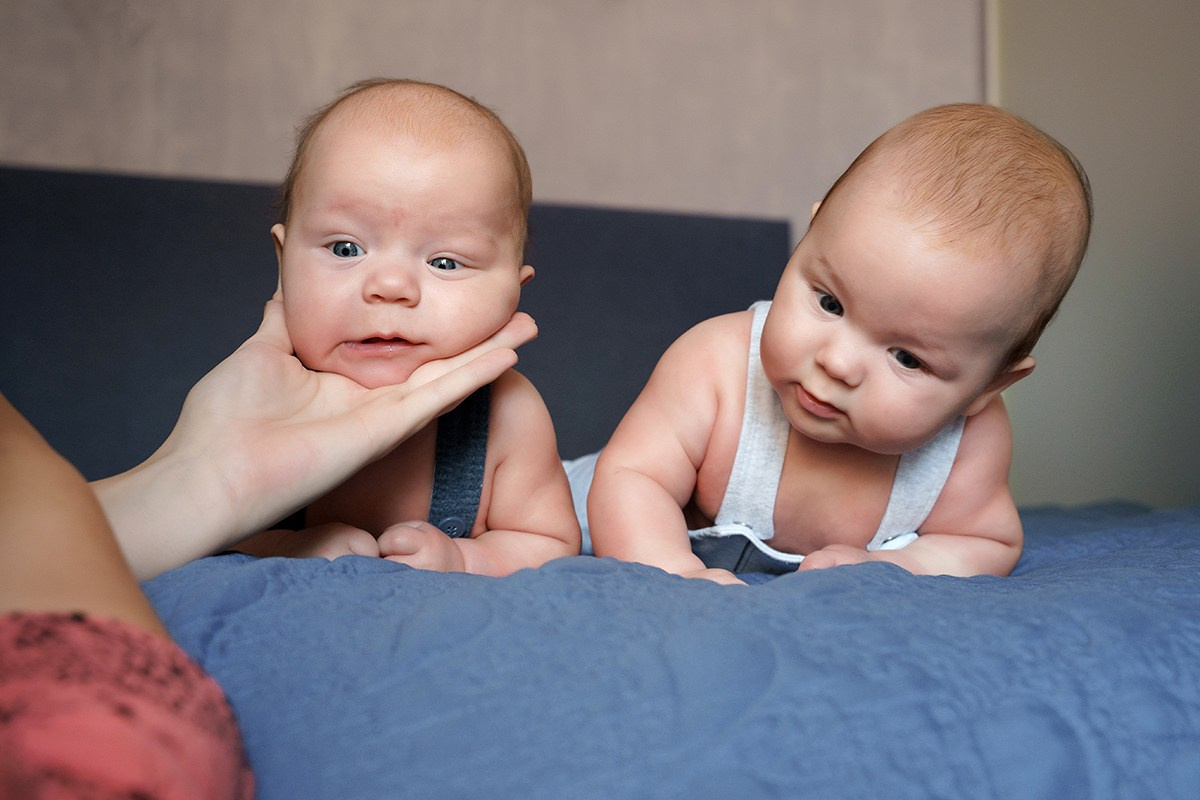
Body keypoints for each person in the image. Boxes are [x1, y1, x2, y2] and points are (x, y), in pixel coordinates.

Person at [586, 103, 1092, 585]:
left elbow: (984, 540)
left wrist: (898, 567)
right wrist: (674, 571)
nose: (838, 363)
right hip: (590, 514)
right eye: (830, 303)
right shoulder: (715, 364)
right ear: (810, 234)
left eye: (907, 358)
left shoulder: (969, 442)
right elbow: (631, 478)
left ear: (989, 385)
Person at [234, 79, 580, 575]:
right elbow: (204, 527)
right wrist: (288, 546)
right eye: (345, 249)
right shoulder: (258, 399)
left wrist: (462, 556)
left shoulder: (507, 414)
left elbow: (545, 540)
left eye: (444, 261)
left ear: (514, 292)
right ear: (283, 262)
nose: (391, 285)